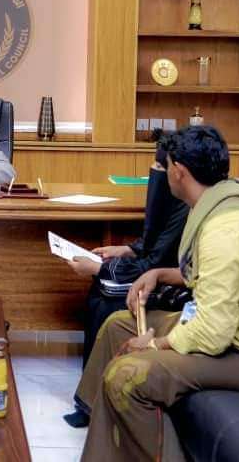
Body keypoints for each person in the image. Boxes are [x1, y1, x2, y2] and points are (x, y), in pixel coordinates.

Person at [76, 125, 239, 462]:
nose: (161, 173)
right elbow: (211, 278)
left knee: (127, 374)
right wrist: (159, 274)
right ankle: (103, 441)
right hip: (233, 332)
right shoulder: (227, 200)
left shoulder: (226, 231)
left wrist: (155, 345)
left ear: (179, 171)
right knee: (118, 325)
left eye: (165, 165)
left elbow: (213, 333)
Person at [62, 131, 189, 428]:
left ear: (178, 170)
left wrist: (98, 268)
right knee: (99, 295)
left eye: (160, 168)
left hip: (171, 285)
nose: (155, 173)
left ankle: (97, 401)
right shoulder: (174, 196)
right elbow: (152, 241)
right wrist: (126, 249)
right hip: (156, 273)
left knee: (108, 301)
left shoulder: (187, 206)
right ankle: (89, 396)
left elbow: (157, 261)